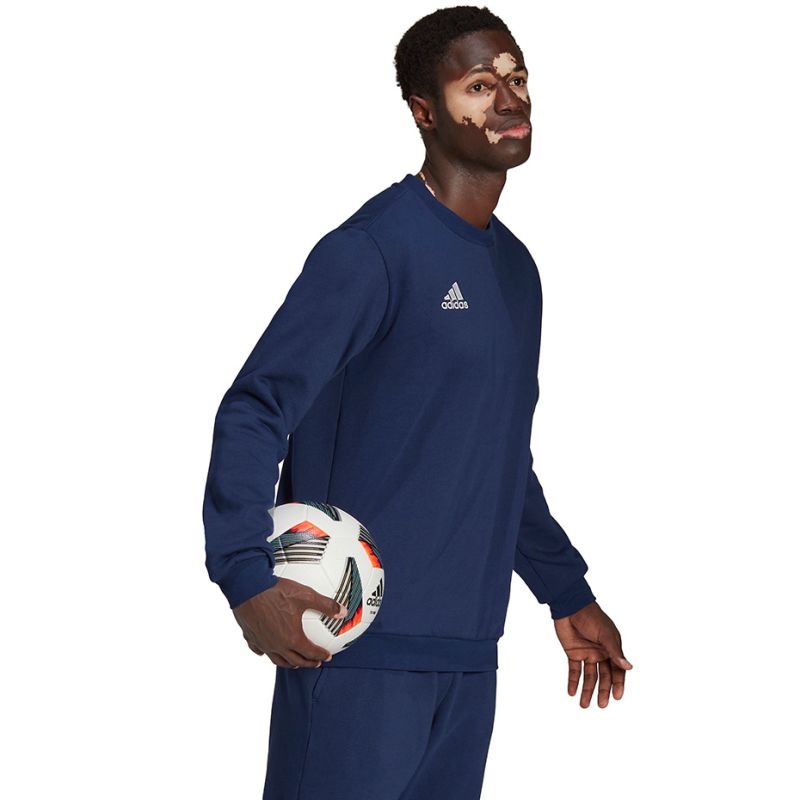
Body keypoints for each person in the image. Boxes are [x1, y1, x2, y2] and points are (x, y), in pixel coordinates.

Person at [202, 6, 633, 799]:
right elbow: (255, 407)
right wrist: (245, 577)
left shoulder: (517, 273)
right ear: (424, 112)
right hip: (352, 650)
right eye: (480, 85)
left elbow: (496, 455)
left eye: (517, 77)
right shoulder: (371, 251)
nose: (510, 98)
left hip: (468, 658)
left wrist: (566, 591)